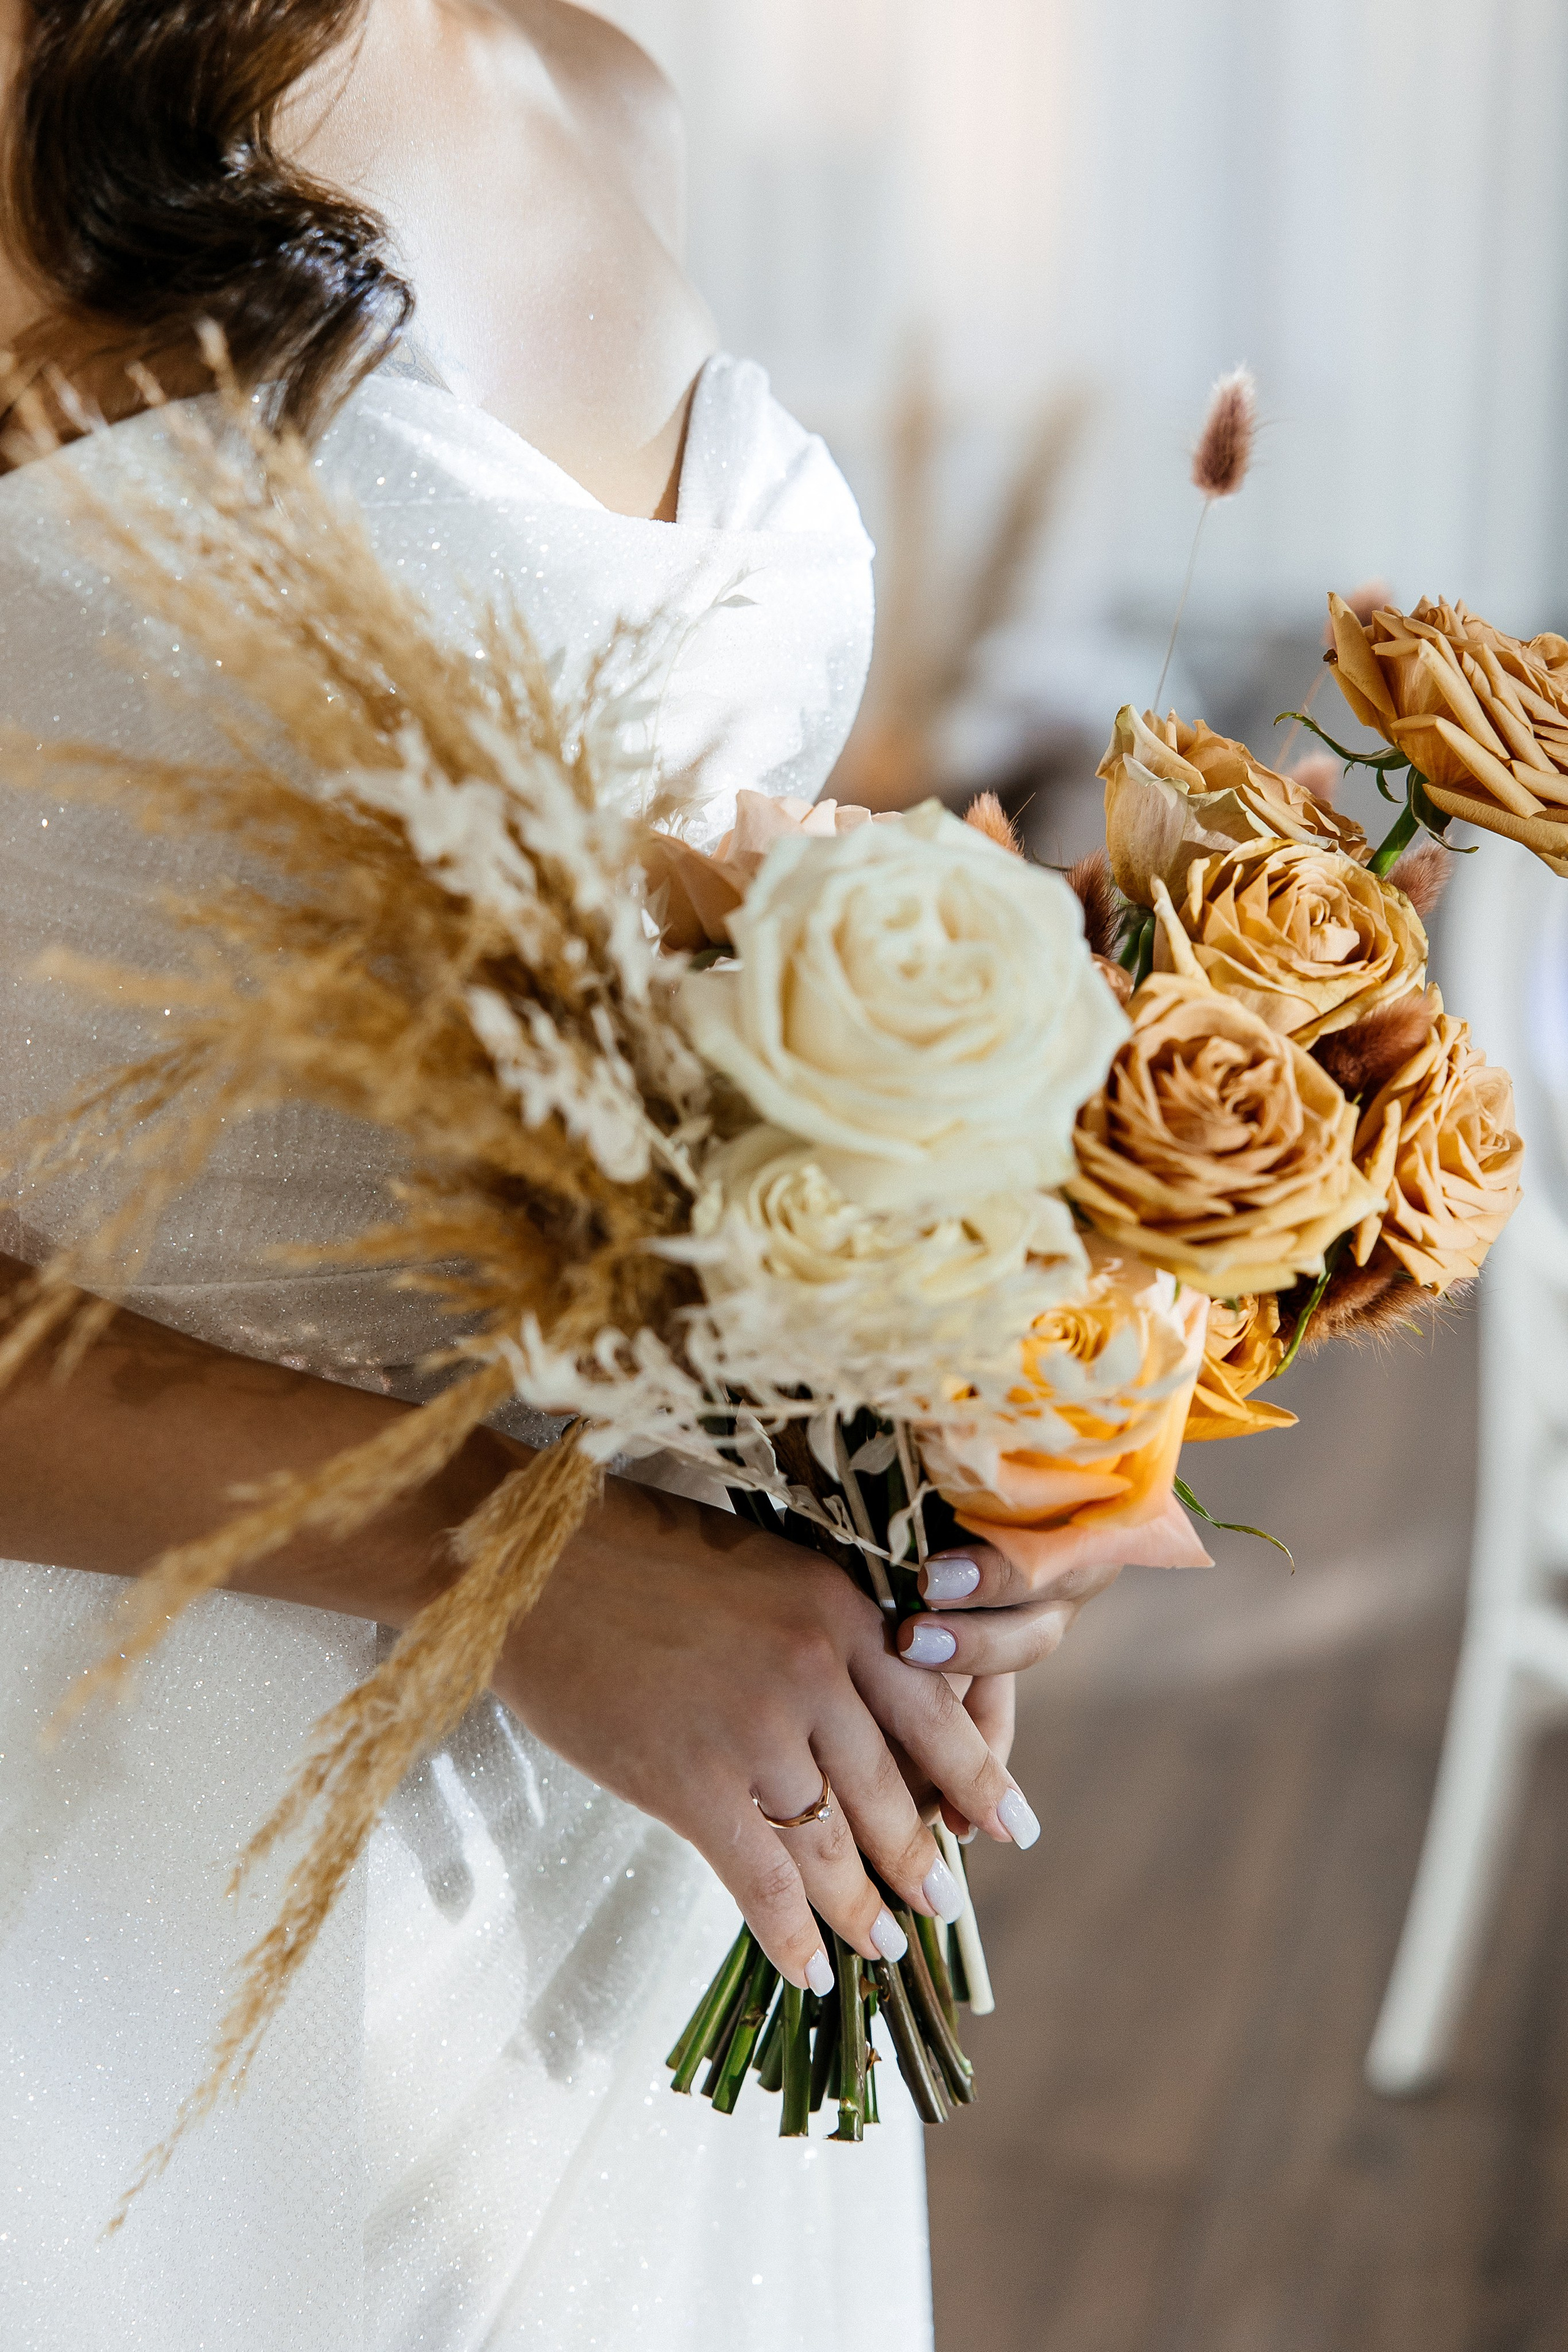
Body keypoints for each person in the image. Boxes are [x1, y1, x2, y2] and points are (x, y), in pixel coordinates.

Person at [0, 6, 1141, 2346]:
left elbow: (692, 932)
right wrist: (515, 1573)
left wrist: (942, 1452)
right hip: (167, 1784)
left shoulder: (602, 87)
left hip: (702, 1781)